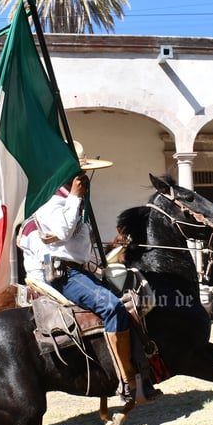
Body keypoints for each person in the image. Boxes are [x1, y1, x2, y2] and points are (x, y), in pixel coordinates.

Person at [19, 142, 158, 405]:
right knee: (112, 308)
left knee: (131, 299)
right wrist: (74, 197)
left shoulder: (76, 202)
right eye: (78, 173)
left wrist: (102, 259)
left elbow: (76, 246)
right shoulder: (52, 201)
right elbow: (63, 231)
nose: (83, 178)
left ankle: (145, 370)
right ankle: (126, 382)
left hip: (79, 270)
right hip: (64, 275)